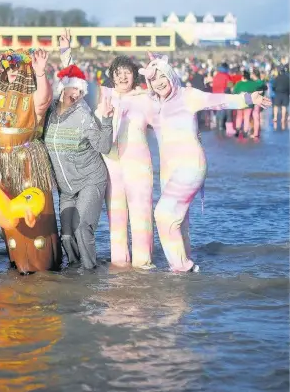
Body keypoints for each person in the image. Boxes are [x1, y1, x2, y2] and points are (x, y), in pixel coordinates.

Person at [139, 54, 271, 272]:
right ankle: (184, 270)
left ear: (172, 76)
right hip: (168, 169)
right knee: (178, 221)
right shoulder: (154, 104)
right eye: (154, 79)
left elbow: (218, 100)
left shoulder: (188, 96)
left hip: (191, 165)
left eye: (163, 76)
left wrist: (248, 99)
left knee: (164, 214)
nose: (159, 82)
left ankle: (181, 267)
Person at [61, 33, 156, 269]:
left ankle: (144, 265)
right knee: (116, 220)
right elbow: (74, 83)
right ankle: (120, 265)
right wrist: (66, 53)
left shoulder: (146, 97)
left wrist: (155, 71)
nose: (123, 77)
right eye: (118, 73)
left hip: (138, 167)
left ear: (134, 75)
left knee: (142, 218)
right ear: (112, 77)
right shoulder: (105, 95)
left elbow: (170, 100)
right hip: (111, 167)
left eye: (127, 72)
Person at [0, 48, 62, 273]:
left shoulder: (34, 93)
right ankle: (17, 263)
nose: (14, 71)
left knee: (36, 220)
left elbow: (44, 101)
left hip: (28, 162)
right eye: (10, 67)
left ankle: (42, 267)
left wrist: (39, 73)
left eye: (18, 66)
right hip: (4, 164)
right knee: (12, 218)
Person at [43, 64, 114, 269]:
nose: (76, 94)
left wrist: (107, 120)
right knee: (66, 237)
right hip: (66, 189)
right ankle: (75, 274)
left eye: (81, 91)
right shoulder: (49, 113)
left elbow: (104, 146)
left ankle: (90, 273)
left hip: (90, 179)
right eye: (73, 89)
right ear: (62, 89)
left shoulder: (83, 114)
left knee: (82, 228)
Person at [272, 66, 289, 130]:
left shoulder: (277, 78)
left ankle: (275, 118)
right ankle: (283, 118)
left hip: (278, 93)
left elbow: (273, 86)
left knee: (276, 106)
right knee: (284, 106)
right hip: (285, 94)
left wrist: (275, 90)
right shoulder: (288, 78)